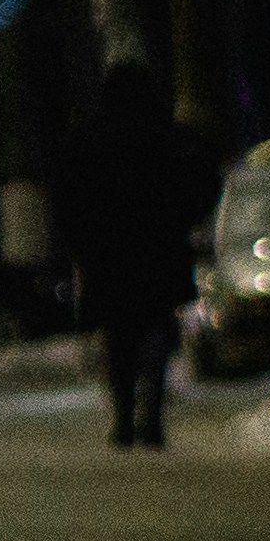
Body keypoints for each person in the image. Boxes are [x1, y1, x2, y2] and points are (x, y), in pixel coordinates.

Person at [55, 60, 225, 447]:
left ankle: (124, 415)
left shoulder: (92, 139)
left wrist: (80, 243)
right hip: (158, 252)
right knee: (156, 335)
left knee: (119, 339)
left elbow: (67, 198)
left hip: (109, 258)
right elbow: (203, 182)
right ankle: (151, 413)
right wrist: (182, 219)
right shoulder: (168, 137)